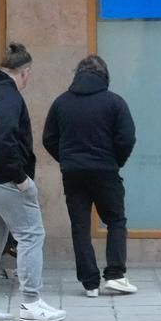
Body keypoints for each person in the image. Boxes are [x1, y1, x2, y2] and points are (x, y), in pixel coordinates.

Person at [0, 42, 65, 321]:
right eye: (29, 75)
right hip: (3, 179)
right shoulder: (9, 98)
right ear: (24, 72)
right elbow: (3, 140)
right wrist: (21, 178)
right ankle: (32, 303)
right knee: (32, 235)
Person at [42, 54, 137, 298]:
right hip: (106, 171)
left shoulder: (61, 103)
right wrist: (116, 161)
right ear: (104, 76)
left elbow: (48, 139)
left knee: (80, 226)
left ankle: (90, 283)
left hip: (73, 174)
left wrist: (67, 160)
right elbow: (127, 138)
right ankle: (115, 275)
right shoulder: (114, 102)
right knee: (115, 220)